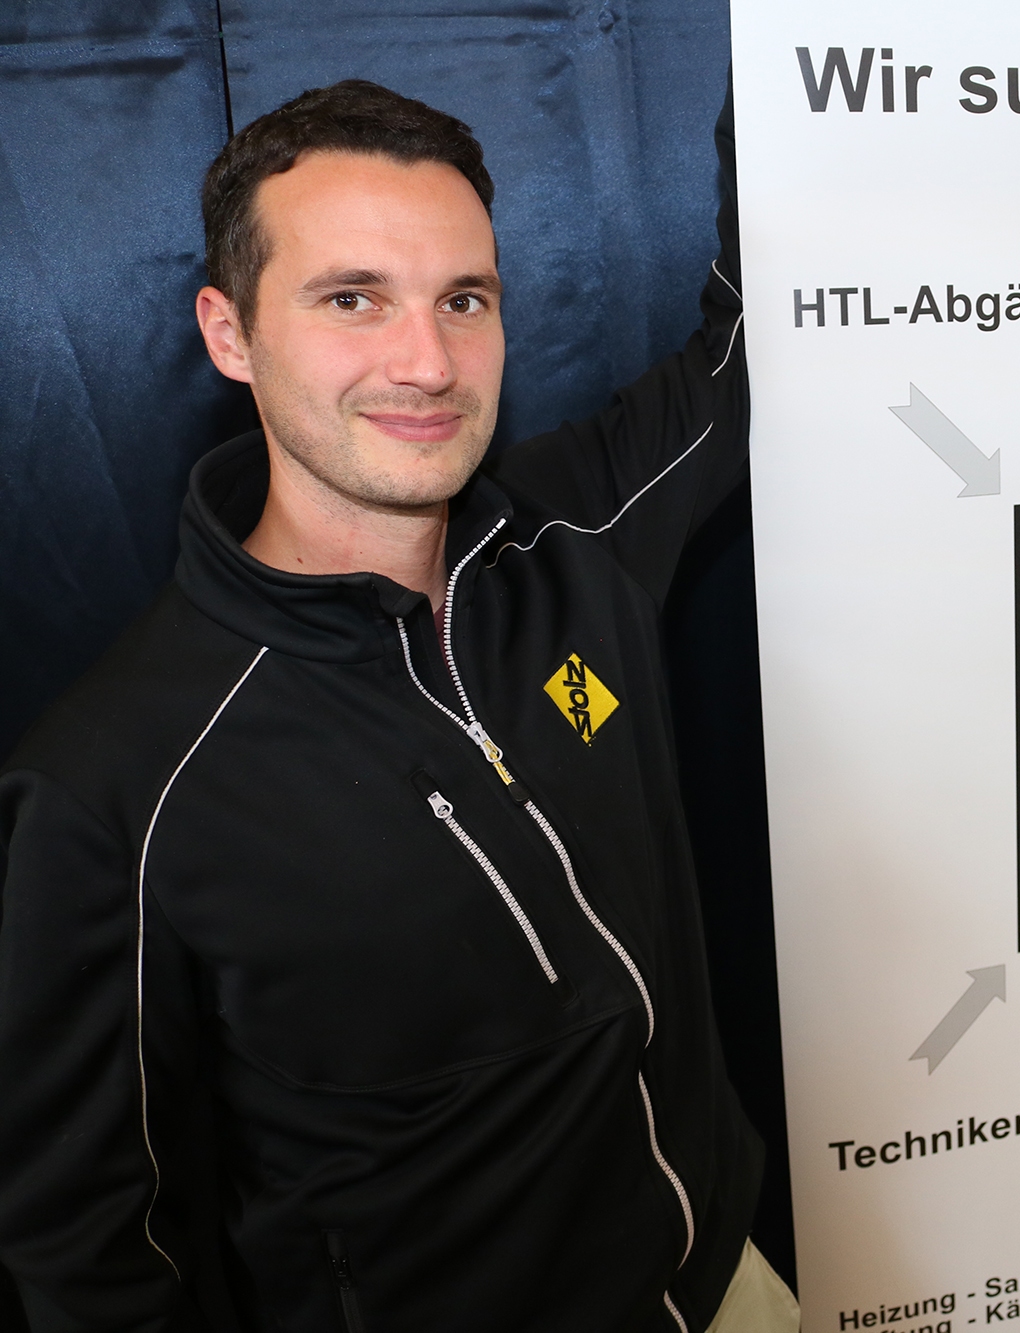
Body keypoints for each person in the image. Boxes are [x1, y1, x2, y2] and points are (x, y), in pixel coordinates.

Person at [0, 79, 795, 1333]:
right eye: (352, 299)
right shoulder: (114, 784)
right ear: (229, 332)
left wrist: (797, 73)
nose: (426, 364)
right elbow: (90, 1252)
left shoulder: (571, 534)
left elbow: (763, 339)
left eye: (463, 300)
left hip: (729, 1288)